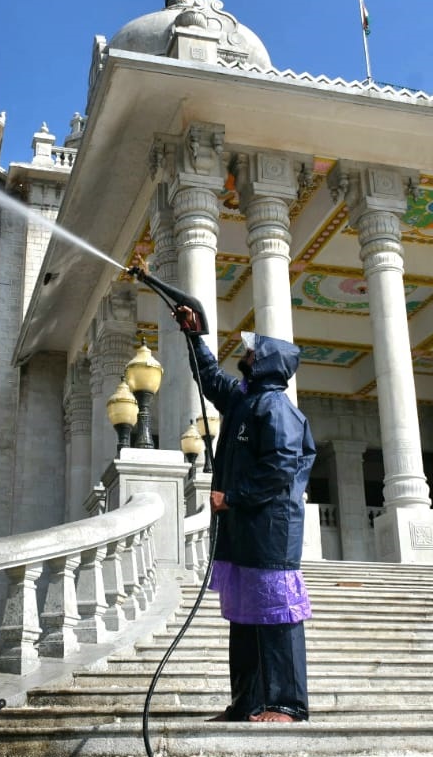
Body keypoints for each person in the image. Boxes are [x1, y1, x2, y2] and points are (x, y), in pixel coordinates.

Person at [175, 306, 316, 723]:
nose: (246, 353)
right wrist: (193, 336)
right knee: (245, 618)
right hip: (244, 531)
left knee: (276, 619)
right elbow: (211, 379)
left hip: (270, 533)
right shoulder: (245, 400)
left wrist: (232, 497)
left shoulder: (275, 408)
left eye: (254, 351)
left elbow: (281, 468)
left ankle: (287, 703)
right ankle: (247, 702)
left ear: (268, 362)